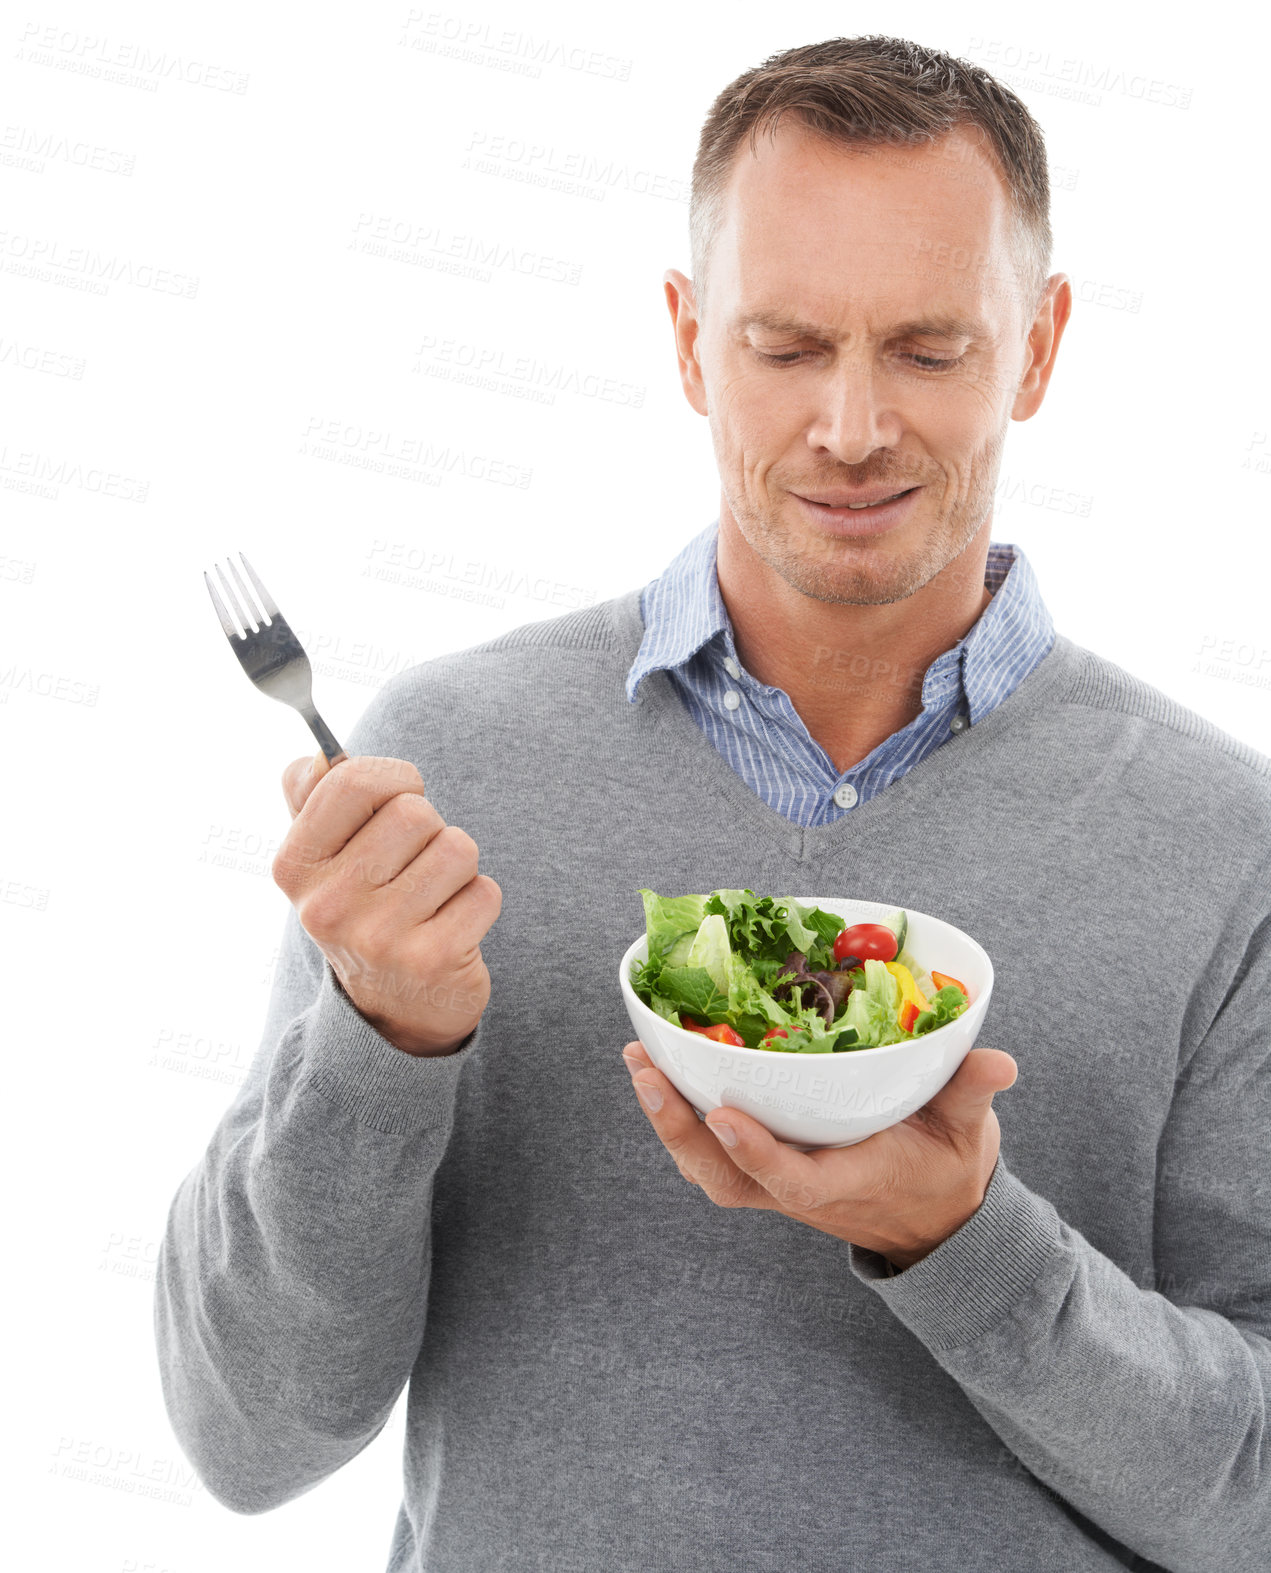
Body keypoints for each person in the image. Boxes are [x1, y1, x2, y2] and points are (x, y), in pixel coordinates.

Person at [154, 35, 1271, 1573]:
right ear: (688, 343)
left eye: (930, 348)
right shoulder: (439, 771)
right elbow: (248, 1433)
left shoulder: (1225, 846)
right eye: (787, 345)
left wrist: (966, 1245)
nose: (854, 425)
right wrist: (381, 1042)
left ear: (1041, 344)